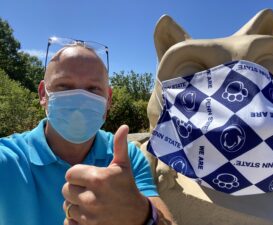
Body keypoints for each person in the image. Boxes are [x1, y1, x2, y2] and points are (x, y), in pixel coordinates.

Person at [0, 41, 175, 225]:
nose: (80, 100)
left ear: (108, 100)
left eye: (93, 89)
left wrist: (143, 216)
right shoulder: (8, 160)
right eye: (65, 86)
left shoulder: (128, 158)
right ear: (43, 94)